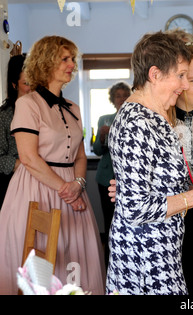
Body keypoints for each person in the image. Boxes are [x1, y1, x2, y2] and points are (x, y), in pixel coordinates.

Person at [105, 31, 193, 295]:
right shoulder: (137, 121)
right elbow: (135, 208)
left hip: (164, 249)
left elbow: (151, 185)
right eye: (180, 75)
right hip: (145, 257)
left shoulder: (156, 116)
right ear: (155, 74)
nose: (186, 85)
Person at [0, 36, 106, 295]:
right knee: (41, 257)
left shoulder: (73, 108)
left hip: (73, 189)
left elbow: (80, 156)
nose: (72, 65)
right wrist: (65, 189)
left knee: (75, 255)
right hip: (36, 189)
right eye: (65, 59)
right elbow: (27, 157)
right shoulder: (27, 104)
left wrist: (78, 185)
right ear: (46, 63)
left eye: (73, 59)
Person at [93, 81, 131, 264]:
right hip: (106, 178)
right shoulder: (103, 119)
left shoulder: (133, 119)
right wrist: (101, 138)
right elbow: (97, 151)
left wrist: (114, 132)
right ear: (112, 99)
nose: (122, 99)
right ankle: (110, 262)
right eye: (118, 96)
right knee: (109, 222)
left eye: (125, 95)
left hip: (128, 180)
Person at [0, 54, 30, 209]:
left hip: (41, 181)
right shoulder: (5, 115)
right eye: (27, 83)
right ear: (14, 85)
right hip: (13, 183)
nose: (32, 88)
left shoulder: (43, 113)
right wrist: (27, 167)